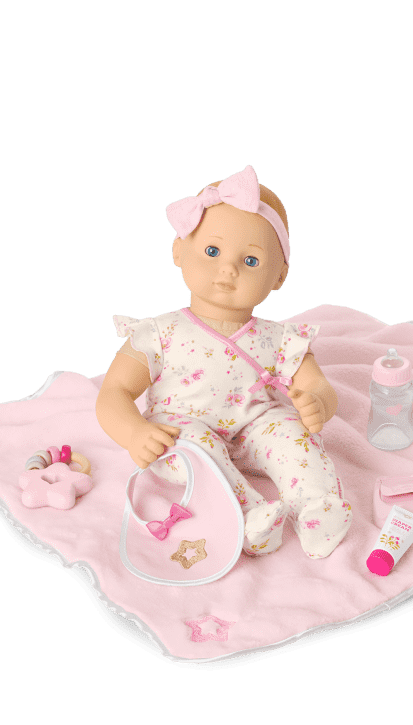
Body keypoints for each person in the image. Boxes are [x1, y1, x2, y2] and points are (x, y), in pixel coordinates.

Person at [96, 165, 352, 558]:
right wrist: (134, 433)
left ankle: (318, 509)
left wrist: (317, 402)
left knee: (293, 435)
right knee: (189, 449)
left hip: (257, 425)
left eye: (251, 260)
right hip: (183, 426)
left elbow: (316, 384)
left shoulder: (281, 338)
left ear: (279, 276)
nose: (228, 269)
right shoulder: (158, 333)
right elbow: (115, 391)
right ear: (179, 249)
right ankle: (249, 516)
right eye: (212, 251)